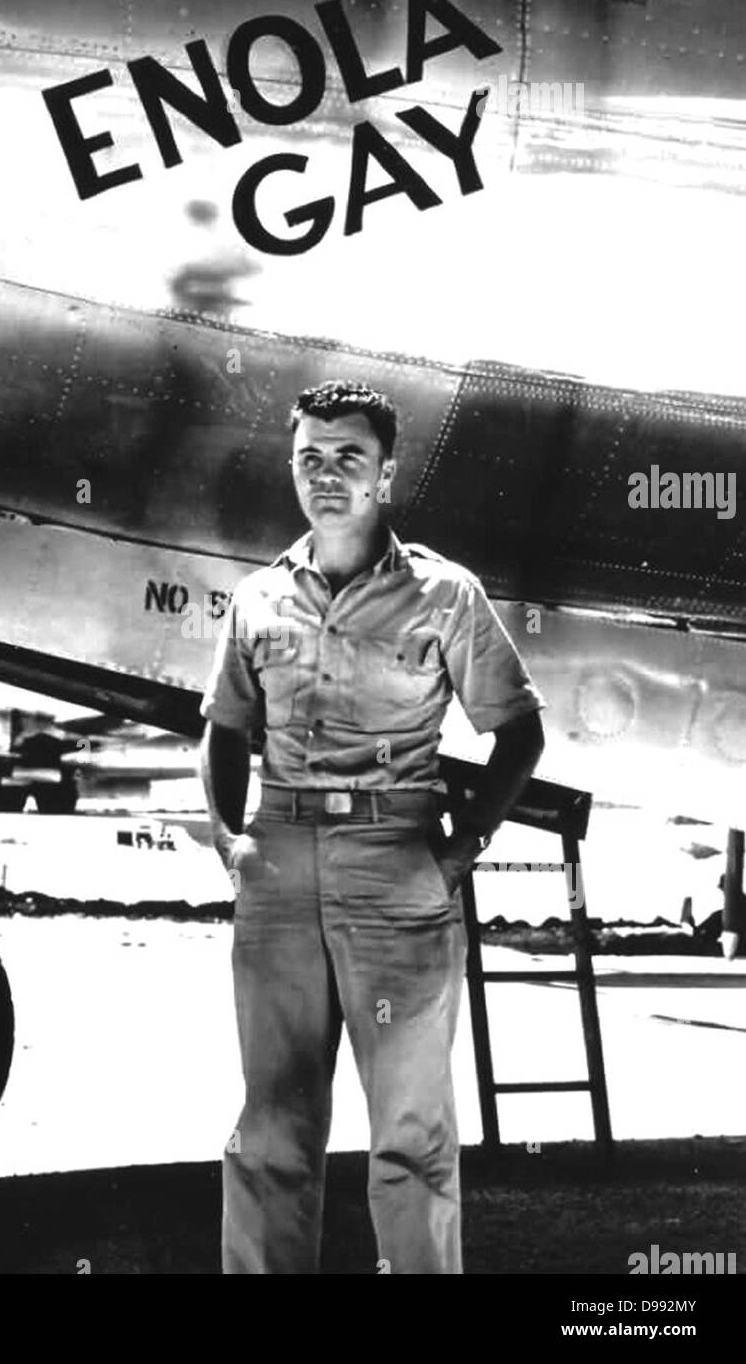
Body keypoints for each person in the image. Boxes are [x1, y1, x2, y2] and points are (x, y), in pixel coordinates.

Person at [199, 378, 546, 1274]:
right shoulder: (257, 599)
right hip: (278, 864)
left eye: (348, 458)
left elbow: (520, 732)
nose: (326, 475)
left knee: (411, 1133)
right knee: (270, 1126)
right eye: (309, 457)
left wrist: (462, 852)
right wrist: (233, 844)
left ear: (385, 475)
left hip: (397, 861)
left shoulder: (444, 595)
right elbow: (225, 728)